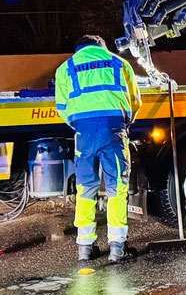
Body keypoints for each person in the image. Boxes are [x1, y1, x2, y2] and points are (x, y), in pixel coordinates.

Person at [54, 35, 142, 262]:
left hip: (83, 133)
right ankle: (117, 248)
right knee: (117, 188)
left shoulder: (66, 68)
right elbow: (135, 100)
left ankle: (85, 248)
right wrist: (125, 122)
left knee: (85, 188)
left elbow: (62, 106)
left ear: (79, 49)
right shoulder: (119, 63)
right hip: (113, 129)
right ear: (102, 47)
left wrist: (79, 125)